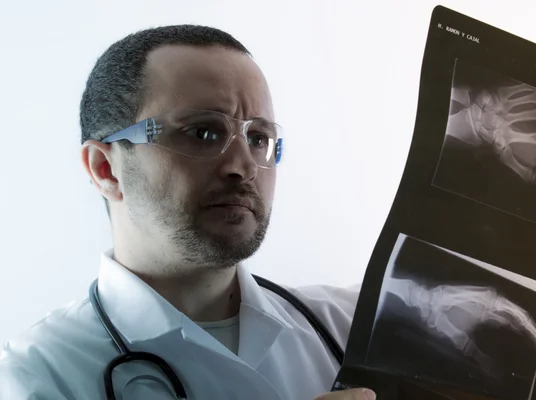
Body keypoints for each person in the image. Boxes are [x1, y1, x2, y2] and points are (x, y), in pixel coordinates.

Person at [0, 25, 375, 400]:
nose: (244, 167)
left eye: (258, 138)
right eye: (202, 132)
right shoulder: (35, 374)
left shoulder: (358, 326)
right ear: (106, 169)